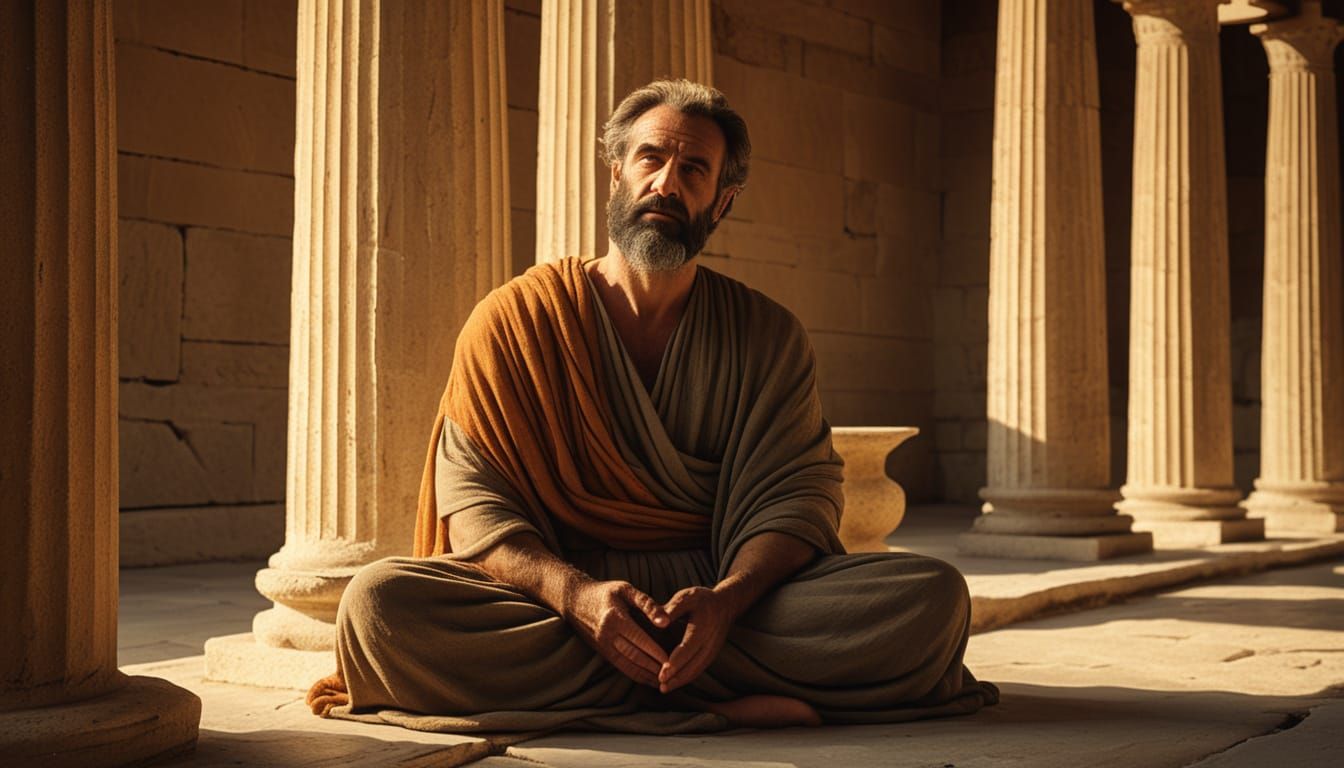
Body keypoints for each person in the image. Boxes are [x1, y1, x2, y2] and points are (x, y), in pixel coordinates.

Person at [306, 79, 997, 734]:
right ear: (617, 175)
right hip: (555, 600)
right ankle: (723, 705)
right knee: (379, 606)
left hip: (726, 604)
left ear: (720, 203)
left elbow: (798, 497)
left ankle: (624, 694)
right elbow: (475, 505)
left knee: (931, 599)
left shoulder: (766, 334)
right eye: (651, 157)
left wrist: (726, 603)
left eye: (695, 169)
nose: (667, 181)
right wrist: (578, 598)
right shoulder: (513, 320)